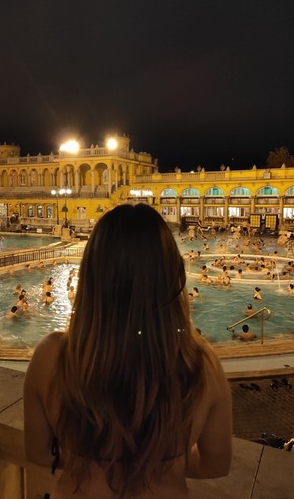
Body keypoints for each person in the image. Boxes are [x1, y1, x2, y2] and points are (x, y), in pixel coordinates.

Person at [24, 204, 232, 499]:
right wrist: (161, 463)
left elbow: (39, 453)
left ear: (92, 274)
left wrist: (91, 461)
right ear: (173, 276)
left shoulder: (51, 356)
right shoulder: (200, 364)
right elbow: (216, 463)